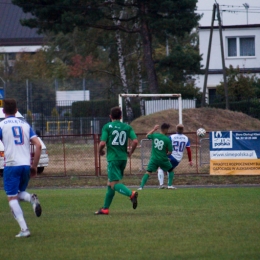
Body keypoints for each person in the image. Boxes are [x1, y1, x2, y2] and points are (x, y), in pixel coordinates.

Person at [0, 99, 42, 238]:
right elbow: (38, 145)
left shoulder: (2, 125)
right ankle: (31, 199)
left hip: (12, 165)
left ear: (4, 111)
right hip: (25, 165)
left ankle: (25, 229)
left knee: (12, 198)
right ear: (16, 110)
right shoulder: (25, 125)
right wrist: (34, 166)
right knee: (17, 194)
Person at [95, 106, 139, 215]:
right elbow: (135, 141)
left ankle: (131, 194)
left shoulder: (107, 127)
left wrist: (100, 151)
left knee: (114, 184)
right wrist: (131, 152)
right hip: (123, 159)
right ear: (121, 116)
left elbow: (102, 143)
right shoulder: (127, 127)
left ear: (110, 116)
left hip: (113, 159)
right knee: (110, 183)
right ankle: (105, 209)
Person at [138, 123, 174, 190]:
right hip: (163, 159)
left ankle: (141, 187)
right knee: (171, 170)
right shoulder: (167, 139)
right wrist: (166, 154)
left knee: (148, 172)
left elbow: (147, 135)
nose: (168, 131)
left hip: (154, 159)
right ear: (165, 129)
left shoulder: (155, 135)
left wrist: (154, 129)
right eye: (167, 129)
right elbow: (170, 151)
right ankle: (169, 185)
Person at [157, 123, 193, 189]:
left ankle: (161, 185)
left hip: (171, 156)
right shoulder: (186, 138)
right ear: (183, 130)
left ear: (176, 129)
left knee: (160, 168)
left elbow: (166, 146)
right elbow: (189, 150)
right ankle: (169, 185)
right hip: (178, 159)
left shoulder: (172, 137)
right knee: (170, 170)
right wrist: (190, 160)